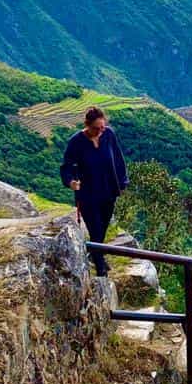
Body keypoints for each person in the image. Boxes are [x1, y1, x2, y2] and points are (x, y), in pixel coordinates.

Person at [59, 106, 128, 276]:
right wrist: (70, 182)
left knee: (102, 228)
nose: (100, 130)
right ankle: (100, 267)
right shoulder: (76, 142)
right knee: (95, 228)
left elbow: (118, 159)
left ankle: (97, 255)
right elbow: (67, 167)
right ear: (87, 125)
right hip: (88, 195)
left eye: (102, 127)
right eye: (97, 128)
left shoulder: (109, 135)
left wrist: (123, 182)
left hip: (109, 192)